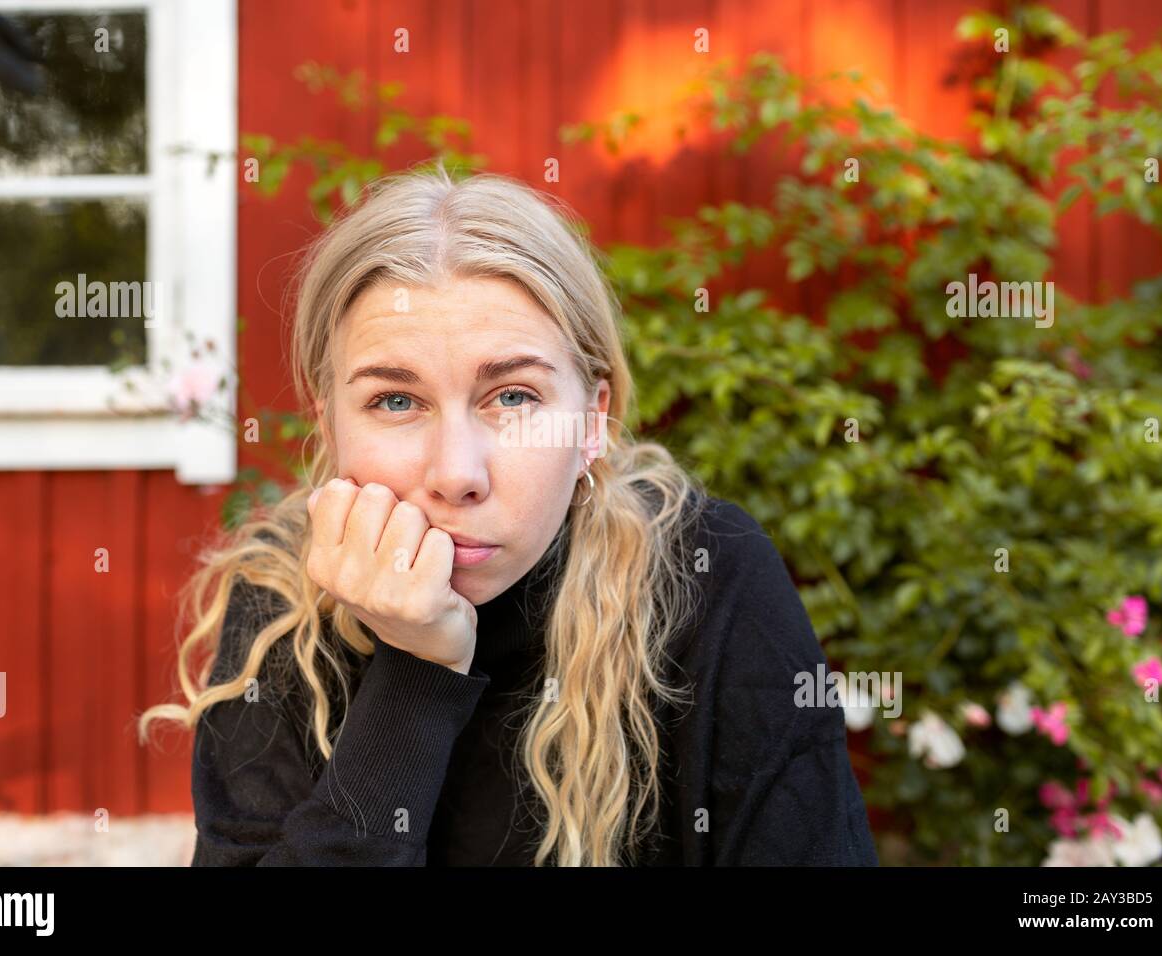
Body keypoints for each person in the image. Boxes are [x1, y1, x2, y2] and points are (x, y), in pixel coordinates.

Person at [138, 159, 879, 866]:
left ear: (593, 418)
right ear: (329, 427)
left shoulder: (704, 576)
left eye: (514, 397)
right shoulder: (283, 600)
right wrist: (418, 671)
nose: (457, 473)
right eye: (396, 401)